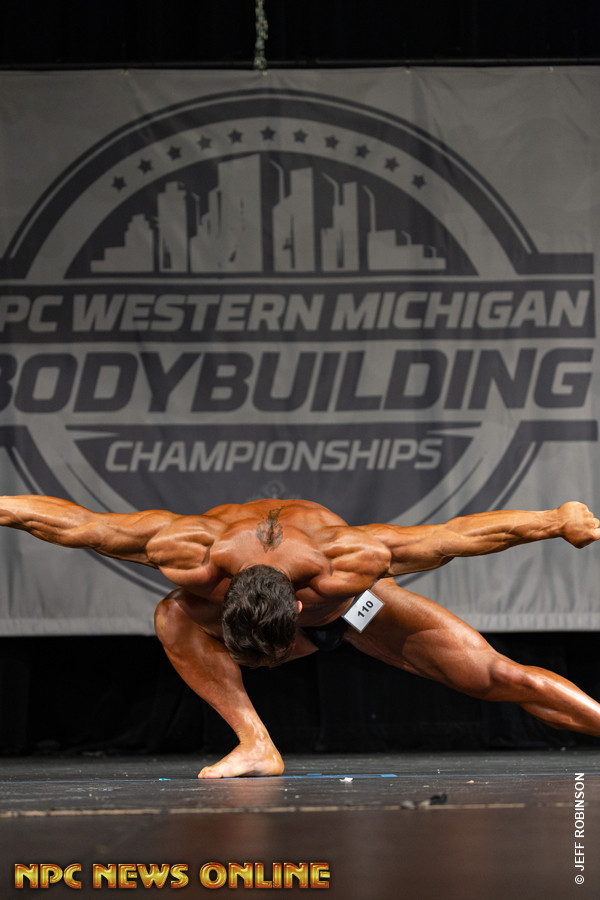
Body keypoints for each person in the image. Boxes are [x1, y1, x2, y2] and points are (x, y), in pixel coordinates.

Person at [1, 494, 600, 778]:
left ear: (298, 603)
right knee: (173, 615)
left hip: (356, 611)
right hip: (294, 607)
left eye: (275, 654)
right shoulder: (188, 552)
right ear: (226, 592)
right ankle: (256, 745)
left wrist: (555, 521)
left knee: (498, 677)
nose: (272, 666)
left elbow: (460, 535)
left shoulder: (351, 562)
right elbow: (79, 525)